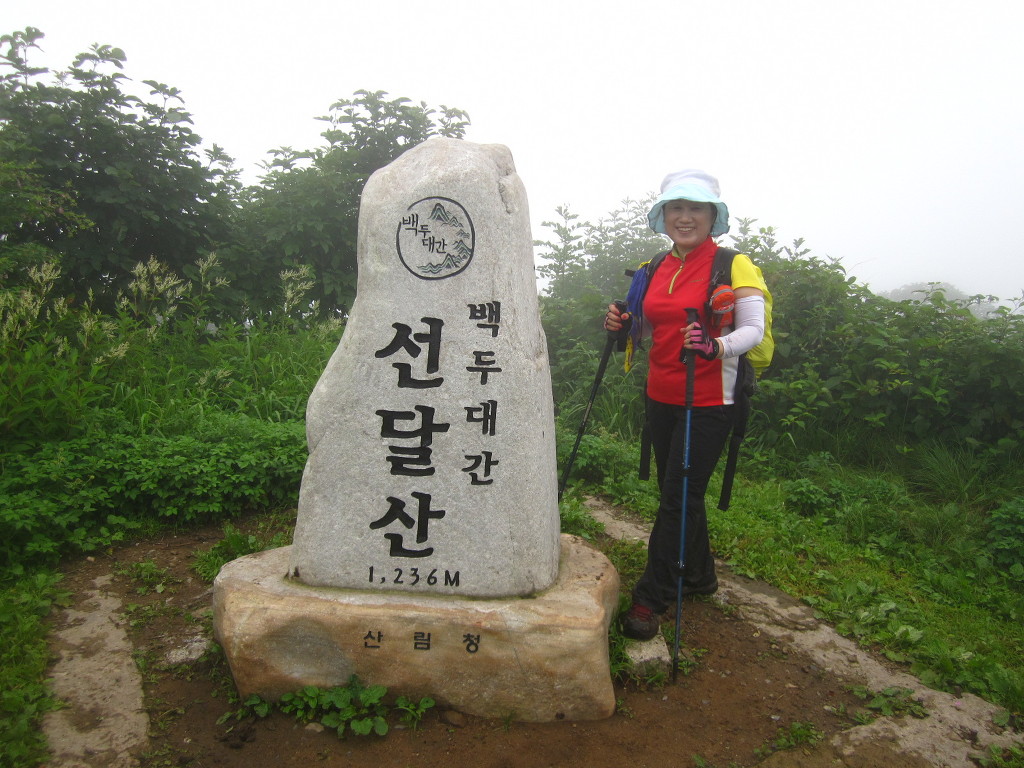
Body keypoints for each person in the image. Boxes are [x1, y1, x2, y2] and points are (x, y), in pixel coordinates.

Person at [604, 169, 769, 641]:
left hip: (711, 399)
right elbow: (645, 328)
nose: (685, 217)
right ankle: (699, 575)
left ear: (712, 216)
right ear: (664, 215)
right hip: (661, 394)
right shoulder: (655, 266)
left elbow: (752, 330)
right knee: (677, 491)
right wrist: (623, 323)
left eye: (695, 208)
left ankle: (653, 594)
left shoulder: (733, 265)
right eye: (676, 207)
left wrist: (715, 347)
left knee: (678, 494)